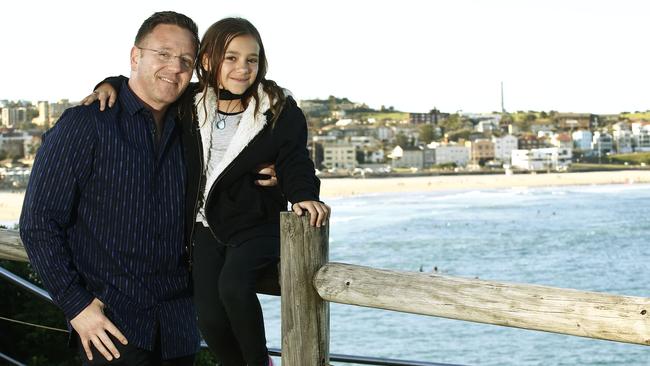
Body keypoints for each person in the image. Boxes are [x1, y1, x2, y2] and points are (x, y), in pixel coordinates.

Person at [89, 17, 329, 366]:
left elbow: (295, 159)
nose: (242, 68)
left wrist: (304, 195)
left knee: (233, 286)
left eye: (252, 59)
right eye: (231, 58)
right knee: (209, 315)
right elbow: (145, 86)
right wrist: (108, 83)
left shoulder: (277, 108)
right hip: (204, 228)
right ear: (206, 61)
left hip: (256, 223)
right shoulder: (191, 102)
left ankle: (260, 362)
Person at [20, 11, 203, 365]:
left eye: (186, 60)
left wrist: (272, 171)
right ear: (136, 56)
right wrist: (76, 306)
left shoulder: (194, 129)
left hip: (179, 330)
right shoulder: (86, 125)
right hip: (111, 330)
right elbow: (38, 223)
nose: (175, 67)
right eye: (163, 54)